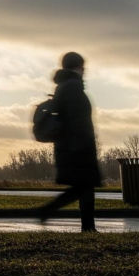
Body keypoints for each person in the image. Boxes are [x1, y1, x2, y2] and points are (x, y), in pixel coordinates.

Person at [37, 52, 101, 232]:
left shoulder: (65, 87)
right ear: (77, 67)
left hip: (72, 146)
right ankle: (48, 210)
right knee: (83, 187)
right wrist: (82, 145)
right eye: (82, 67)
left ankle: (88, 228)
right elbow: (77, 122)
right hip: (77, 147)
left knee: (84, 188)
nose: (84, 71)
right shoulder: (73, 88)